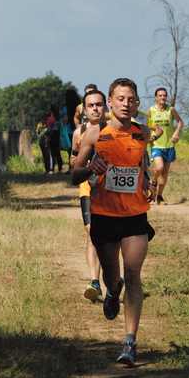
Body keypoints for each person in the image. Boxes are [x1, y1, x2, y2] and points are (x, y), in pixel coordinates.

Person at [72, 78, 156, 367]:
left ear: (137, 103)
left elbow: (141, 163)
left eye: (131, 99)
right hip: (105, 216)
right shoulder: (95, 134)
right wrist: (88, 169)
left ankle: (130, 342)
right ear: (110, 102)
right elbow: (74, 174)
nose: (125, 103)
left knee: (133, 274)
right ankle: (111, 289)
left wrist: (148, 180)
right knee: (113, 274)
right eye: (120, 98)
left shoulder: (142, 133)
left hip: (135, 216)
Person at [71, 89, 106, 303]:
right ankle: (94, 281)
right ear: (84, 109)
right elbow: (74, 164)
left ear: (105, 106)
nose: (95, 109)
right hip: (88, 189)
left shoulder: (116, 129)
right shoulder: (79, 133)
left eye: (99, 104)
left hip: (112, 192)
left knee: (112, 238)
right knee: (92, 233)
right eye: (91, 105)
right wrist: (84, 166)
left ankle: (112, 278)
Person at [147, 87, 184, 204]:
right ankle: (153, 181)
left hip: (169, 146)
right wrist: (149, 138)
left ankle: (159, 196)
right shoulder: (151, 110)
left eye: (164, 95)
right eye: (160, 95)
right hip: (156, 145)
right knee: (159, 168)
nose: (163, 97)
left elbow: (180, 122)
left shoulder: (171, 110)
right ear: (156, 97)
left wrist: (176, 133)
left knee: (164, 175)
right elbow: (146, 124)